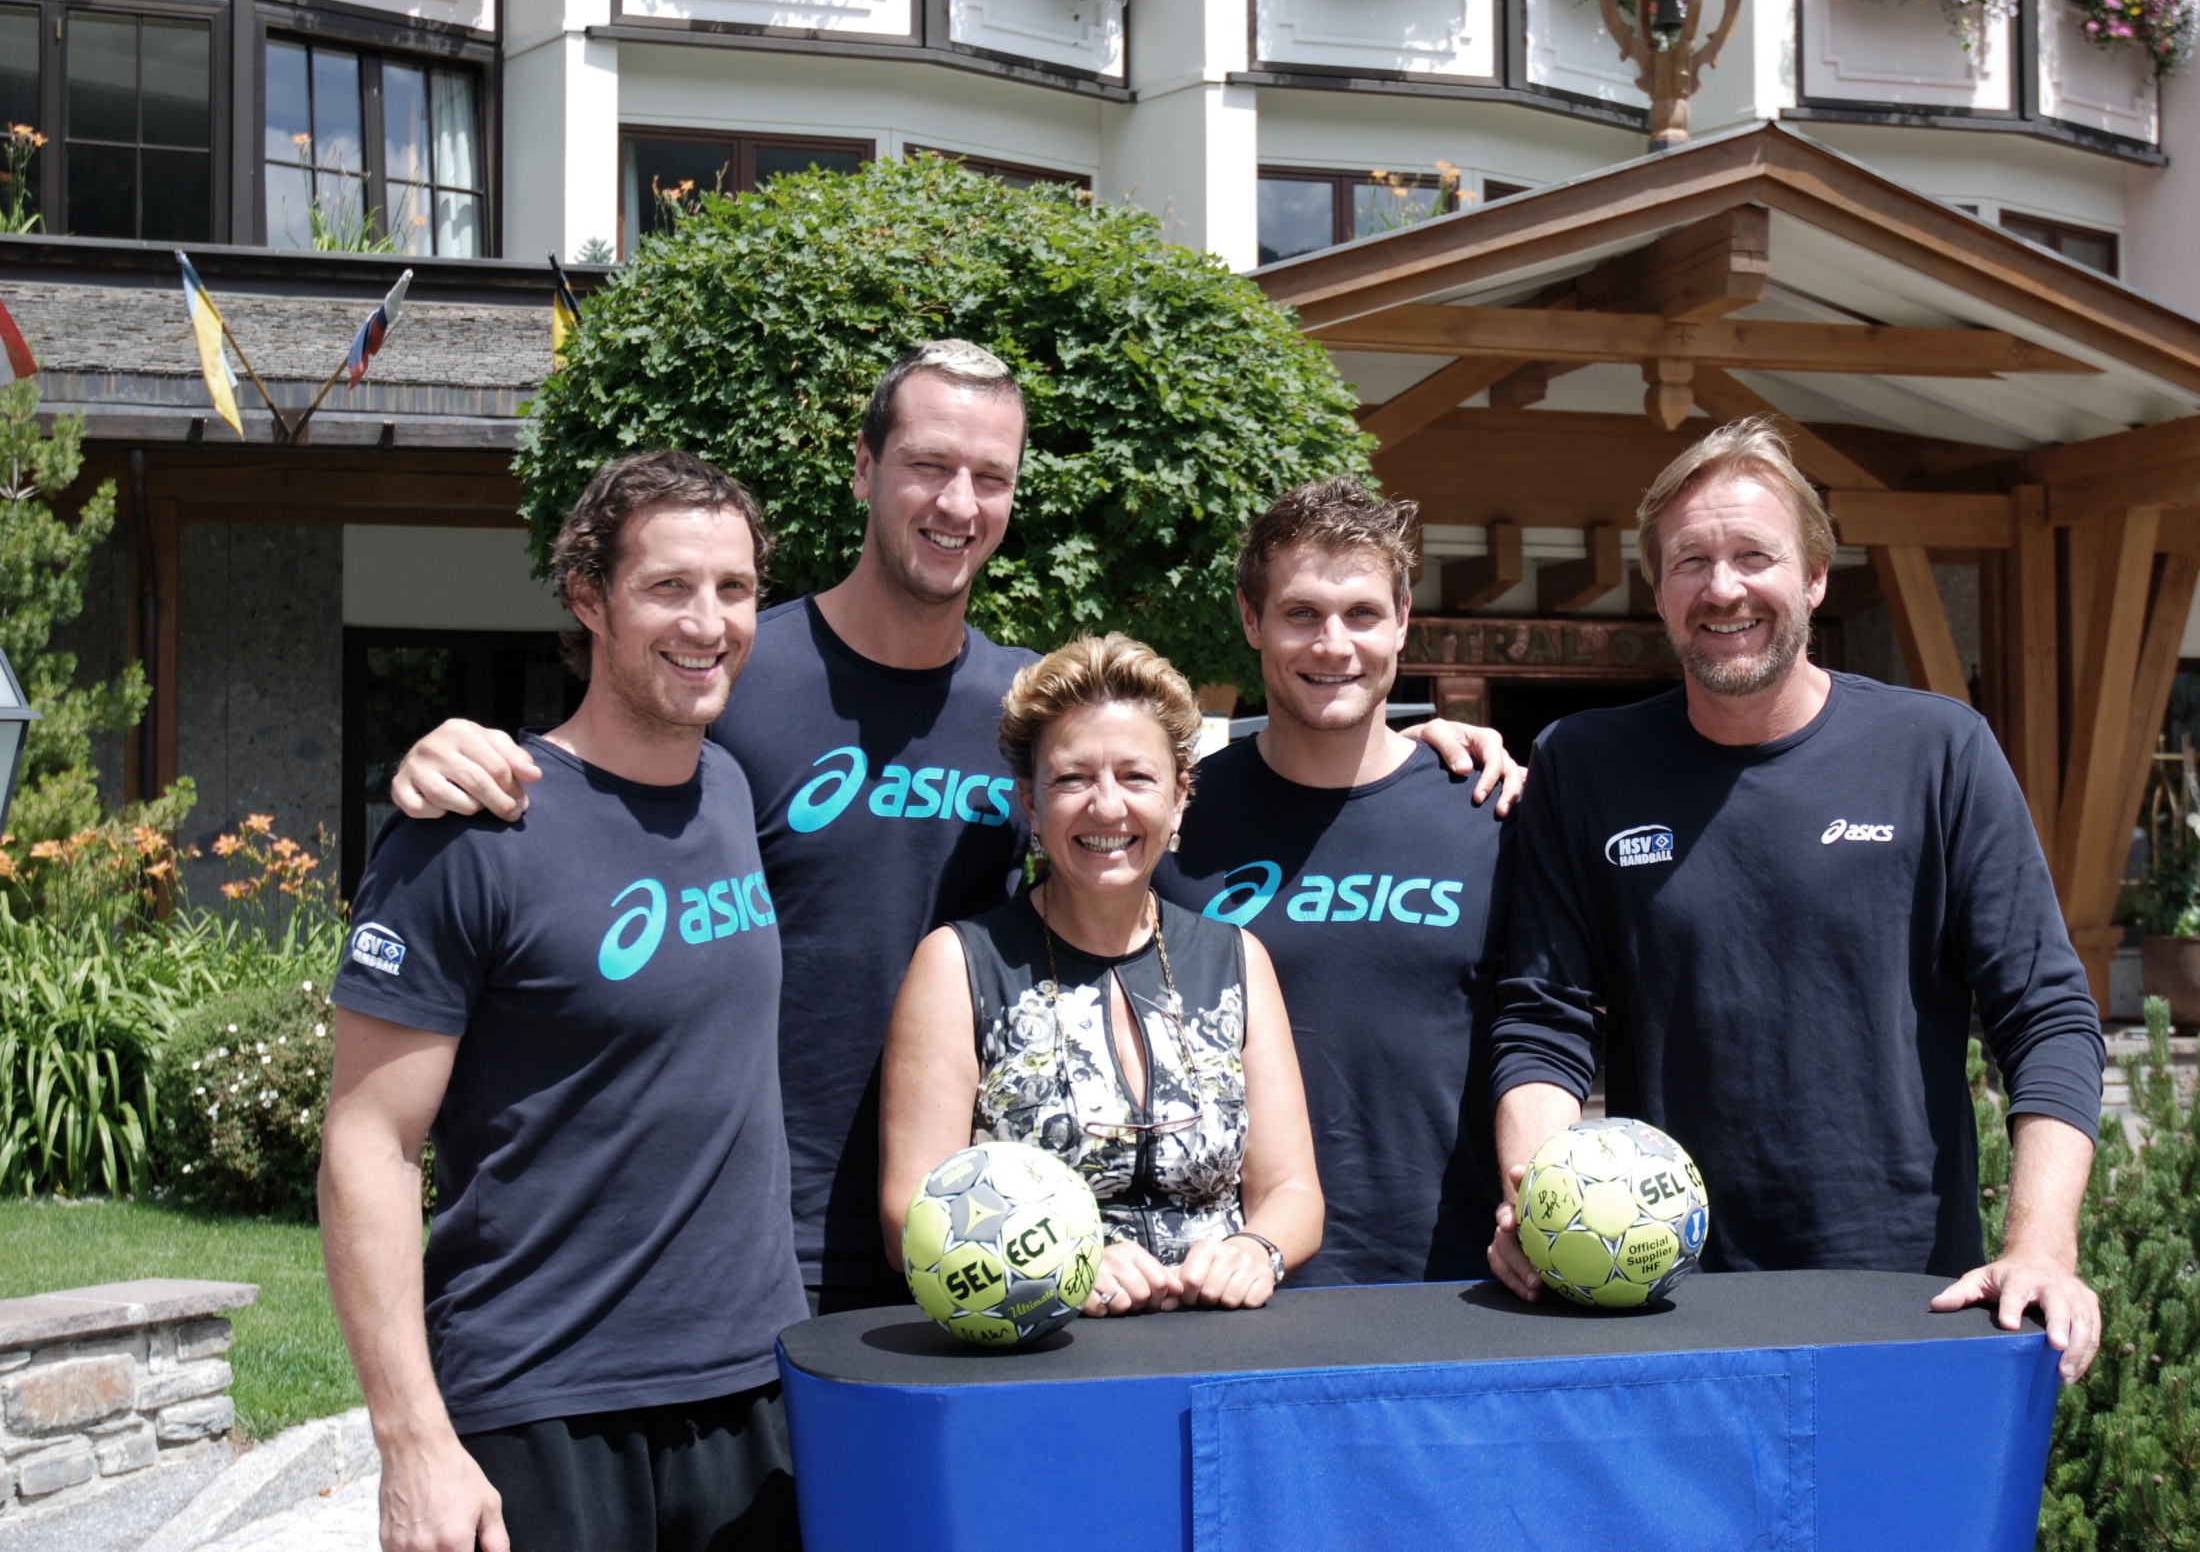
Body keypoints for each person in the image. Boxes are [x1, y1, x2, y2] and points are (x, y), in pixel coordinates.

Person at [387, 340, 1520, 1312]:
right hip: (760, 1234)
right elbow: (605, 767)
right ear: (865, 468)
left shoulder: (1024, 709)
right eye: (929, 465)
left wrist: (1410, 750)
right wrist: (456, 751)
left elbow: (1150, 789)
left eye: (991, 476)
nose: (958, 503)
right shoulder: (738, 673)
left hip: (986, 1235)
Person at [1484, 417, 2109, 1383]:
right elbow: (1543, 1019)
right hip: (1665, 1296)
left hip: (1909, 1293)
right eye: (1691, 561)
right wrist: (1541, 1200)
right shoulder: (1585, 764)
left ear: (1815, 576)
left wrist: (2040, 1248)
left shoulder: (1937, 751)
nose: (1723, 588)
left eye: (1754, 556)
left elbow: (2048, 1016)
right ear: (1659, 591)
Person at [320, 450, 803, 1552]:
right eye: (668, 587)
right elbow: (368, 1143)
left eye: (734, 589)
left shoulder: (731, 789)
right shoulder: (473, 830)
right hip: (542, 1402)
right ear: (589, 597)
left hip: (749, 1386)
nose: (708, 622)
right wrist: (411, 1441)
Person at [881, 633, 1325, 1313]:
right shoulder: (959, 966)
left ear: (1179, 799)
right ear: (1032, 804)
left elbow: (1293, 1192)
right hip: (1043, 1350)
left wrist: (1255, 1249)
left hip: (1222, 1344)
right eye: (1072, 779)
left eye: (1137, 777)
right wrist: (1064, 1261)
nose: (1108, 806)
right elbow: (908, 1214)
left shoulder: (1238, 961)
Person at [1157, 477, 1507, 1286]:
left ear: (1403, 621)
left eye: (1362, 614)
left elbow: (1544, 1030)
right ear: (1252, 619)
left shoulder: (1488, 810)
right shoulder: (1179, 821)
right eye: (1302, 613)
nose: (1333, 645)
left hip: (1460, 1289)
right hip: (1230, 1284)